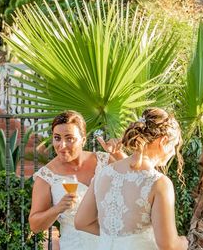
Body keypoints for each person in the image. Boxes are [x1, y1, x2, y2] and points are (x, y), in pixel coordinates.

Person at [75, 107, 189, 250]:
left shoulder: (103, 174)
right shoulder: (159, 183)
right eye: (174, 145)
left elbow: (81, 222)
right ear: (163, 141)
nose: (173, 152)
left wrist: (116, 236)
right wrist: (185, 242)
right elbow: (169, 246)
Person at [29, 110, 125, 249]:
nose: (62, 145)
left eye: (69, 138)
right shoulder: (46, 176)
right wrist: (58, 209)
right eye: (57, 138)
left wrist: (119, 154)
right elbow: (35, 225)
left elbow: (137, 183)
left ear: (83, 139)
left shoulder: (104, 161)